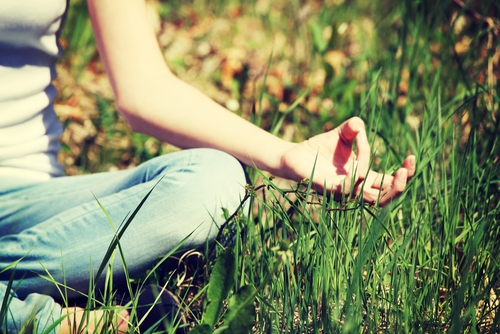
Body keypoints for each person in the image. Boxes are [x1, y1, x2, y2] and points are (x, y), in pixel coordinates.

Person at [0, 0, 416, 333]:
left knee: (215, 182)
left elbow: (144, 88)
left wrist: (286, 156)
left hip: (32, 201)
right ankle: (54, 322)